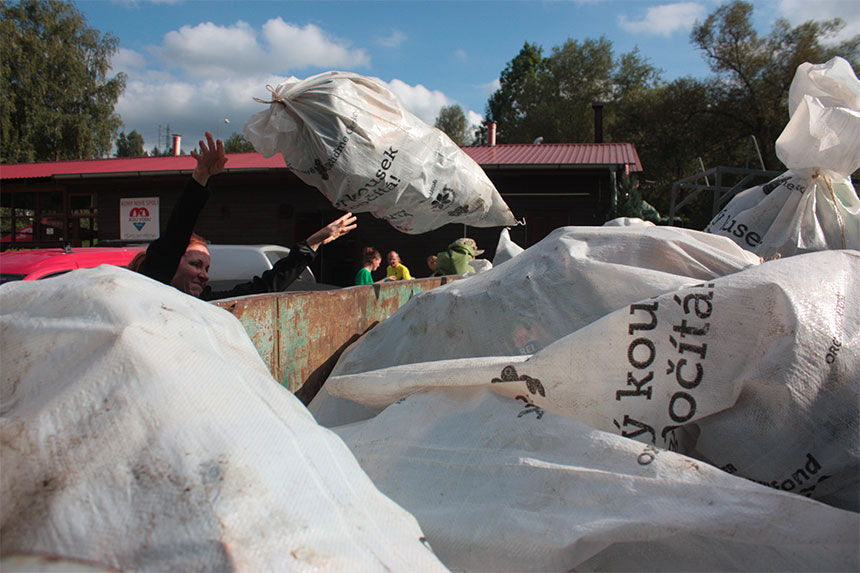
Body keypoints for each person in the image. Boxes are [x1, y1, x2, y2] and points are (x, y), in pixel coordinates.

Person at [137, 131, 356, 300]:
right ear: (172, 262)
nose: (204, 275)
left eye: (206, 268)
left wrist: (313, 243)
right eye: (195, 264)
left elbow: (264, 288)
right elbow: (177, 233)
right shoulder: (150, 291)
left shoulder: (205, 303)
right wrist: (200, 178)